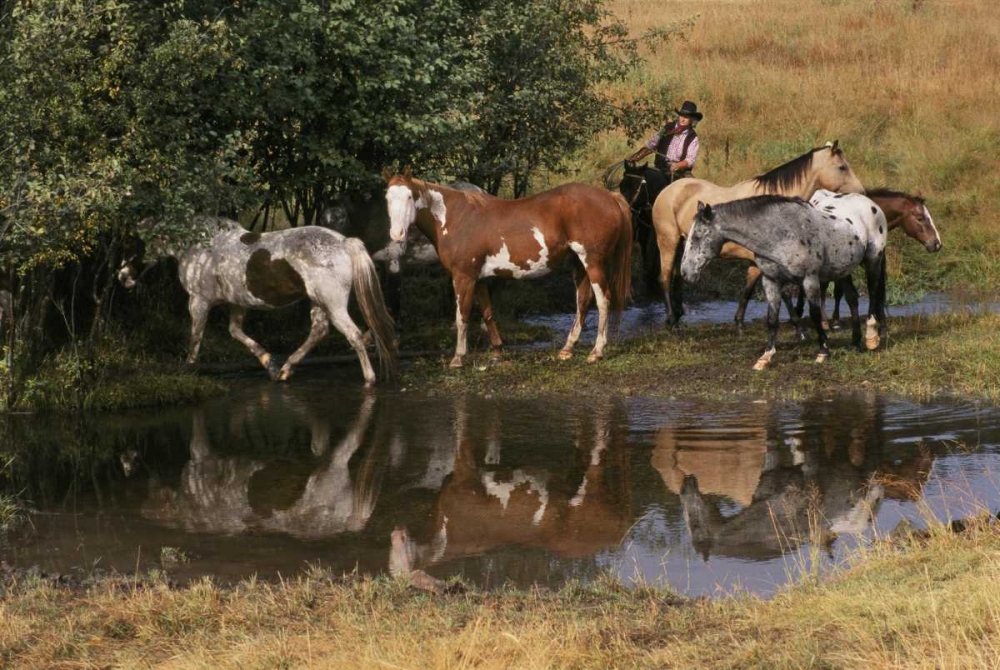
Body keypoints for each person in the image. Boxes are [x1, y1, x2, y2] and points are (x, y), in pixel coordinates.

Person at [627, 100, 703, 183]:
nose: (683, 119)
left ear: (691, 119)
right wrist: (635, 158)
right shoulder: (667, 128)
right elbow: (652, 145)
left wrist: (678, 165)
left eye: (687, 117)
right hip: (660, 168)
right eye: (682, 115)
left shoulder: (692, 137)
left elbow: (690, 160)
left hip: (680, 173)